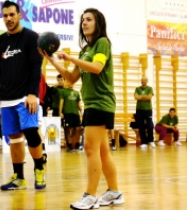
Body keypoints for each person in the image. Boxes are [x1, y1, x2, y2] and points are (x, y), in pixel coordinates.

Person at [39, 8, 124, 209]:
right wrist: (51, 60)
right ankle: (114, 192)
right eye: (82, 20)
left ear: (98, 23)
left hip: (101, 103)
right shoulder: (85, 50)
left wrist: (70, 58)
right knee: (103, 152)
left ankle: (90, 196)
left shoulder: (102, 43)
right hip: (92, 103)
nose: (84, 23)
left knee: (89, 149)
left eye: (88, 19)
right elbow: (71, 78)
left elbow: (96, 67)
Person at [0, 0, 45, 190]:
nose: (9, 18)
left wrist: (32, 94)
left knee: (31, 132)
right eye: (5, 16)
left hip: (25, 97)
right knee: (15, 138)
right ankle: (19, 177)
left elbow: (37, 67)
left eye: (12, 14)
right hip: (6, 98)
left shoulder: (31, 37)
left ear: (20, 15)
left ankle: (39, 169)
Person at [59, 80, 82, 151]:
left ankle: (77, 145)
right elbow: (61, 102)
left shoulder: (76, 93)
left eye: (71, 82)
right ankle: (69, 146)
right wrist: (60, 112)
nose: (70, 83)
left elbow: (78, 104)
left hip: (75, 114)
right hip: (67, 113)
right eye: (69, 82)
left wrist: (82, 111)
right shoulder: (64, 91)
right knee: (67, 129)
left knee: (78, 129)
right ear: (66, 83)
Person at [134, 76, 156, 149]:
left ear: (147, 81)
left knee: (150, 125)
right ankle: (144, 142)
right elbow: (136, 97)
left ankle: (151, 141)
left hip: (148, 109)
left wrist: (141, 97)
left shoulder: (150, 88)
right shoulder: (137, 89)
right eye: (142, 80)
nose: (143, 81)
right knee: (141, 126)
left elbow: (149, 97)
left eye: (145, 80)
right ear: (141, 81)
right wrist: (144, 97)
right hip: (139, 110)